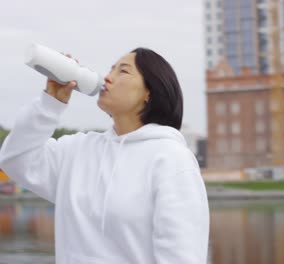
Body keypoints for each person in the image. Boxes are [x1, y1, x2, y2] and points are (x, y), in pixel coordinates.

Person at [0, 48, 209, 263]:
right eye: (111, 69)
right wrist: (50, 104)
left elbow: (182, 256)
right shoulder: (78, 150)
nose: (108, 77)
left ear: (150, 93)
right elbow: (17, 160)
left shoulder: (171, 159)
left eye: (123, 72)